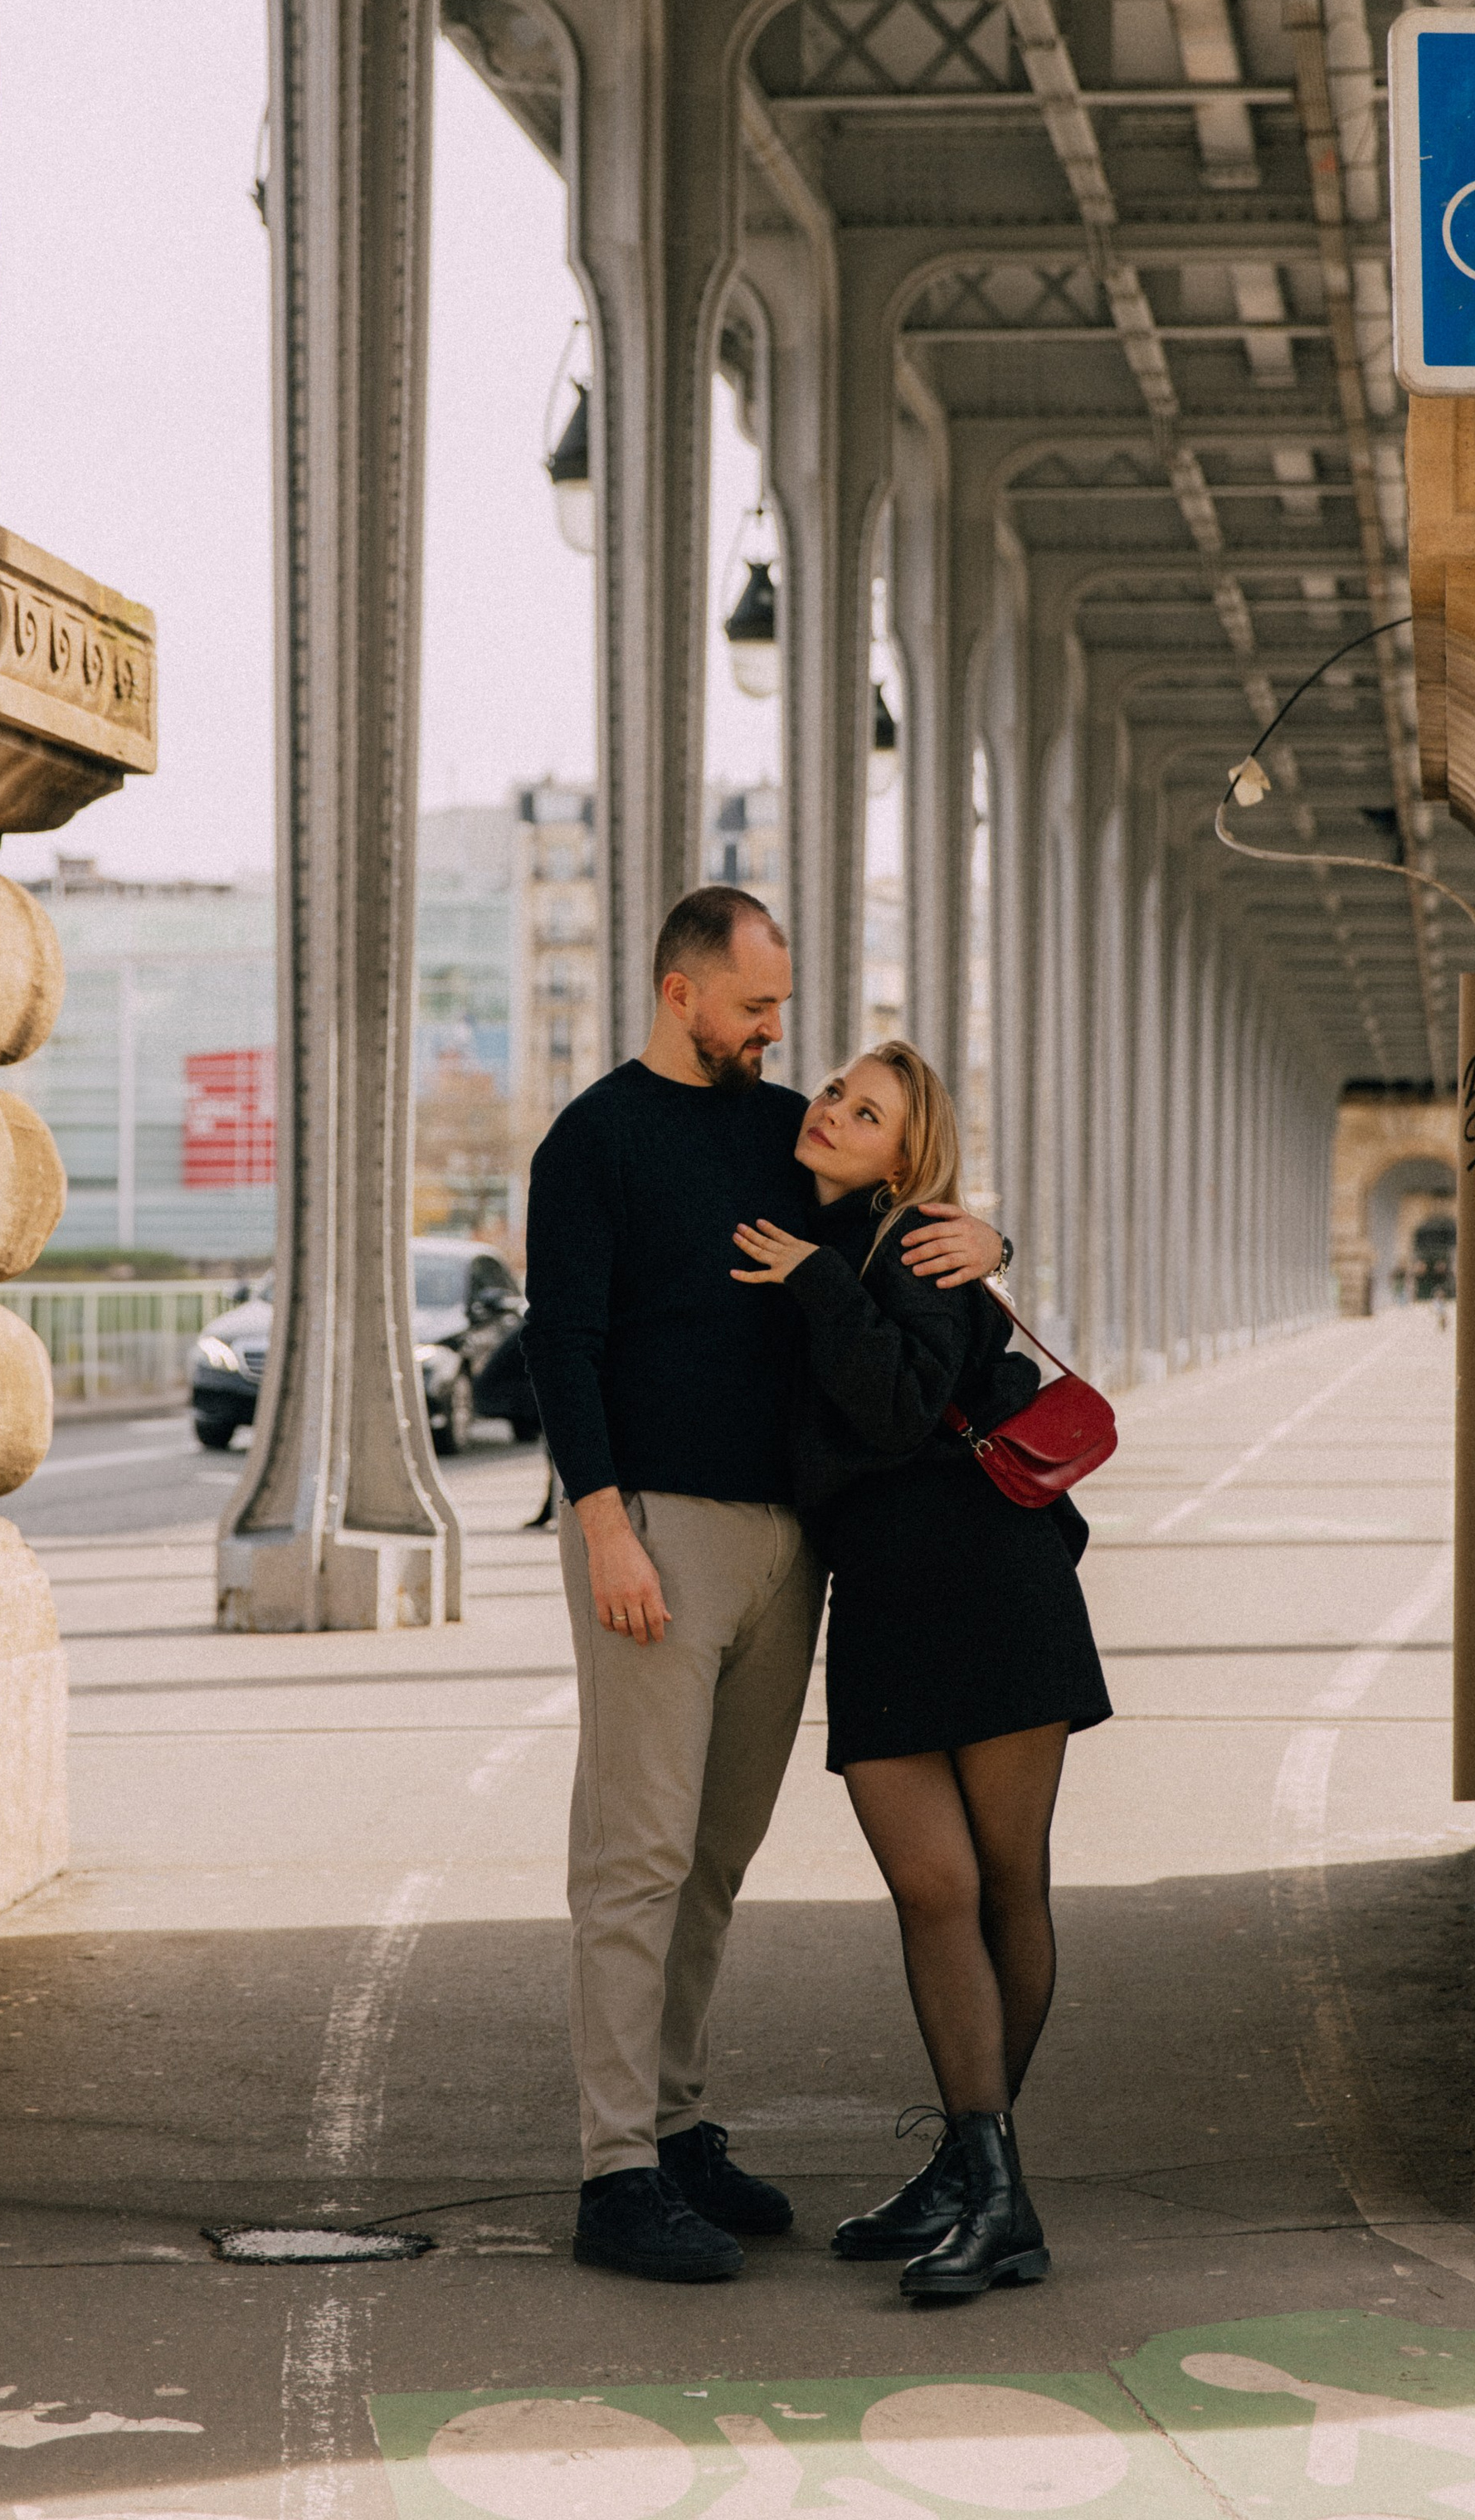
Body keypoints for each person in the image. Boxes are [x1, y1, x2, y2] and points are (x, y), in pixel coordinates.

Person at [521, 891, 1006, 2284]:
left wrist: (993, 1245)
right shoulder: (594, 1140)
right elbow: (565, 1341)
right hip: (658, 1533)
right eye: (753, 1007)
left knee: (715, 1858)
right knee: (636, 1856)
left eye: (780, 1009)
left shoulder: (790, 1130)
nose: (774, 1032)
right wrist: (604, 1527)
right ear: (681, 993)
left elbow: (902, 1214)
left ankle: (675, 2128)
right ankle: (615, 2167)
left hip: (790, 1543)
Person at [732, 1037, 1110, 2304]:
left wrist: (824, 1283)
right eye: (835, 1090)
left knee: (1007, 1883)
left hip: (993, 1585)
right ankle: (976, 2176)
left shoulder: (919, 1245)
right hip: (886, 1602)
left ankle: (989, 2190)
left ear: (910, 1152)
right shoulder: (810, 1225)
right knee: (932, 1888)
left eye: (868, 1108)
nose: (835, 1109)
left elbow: (897, 1409)